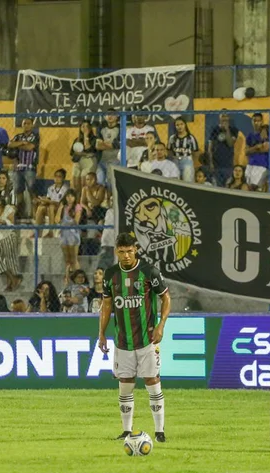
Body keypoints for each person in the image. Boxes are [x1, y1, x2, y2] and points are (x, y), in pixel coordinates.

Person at [97, 233, 172, 442]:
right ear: (116, 252)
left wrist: (161, 325)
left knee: (152, 381)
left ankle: (159, 431)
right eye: (121, 252)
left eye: (129, 251)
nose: (126, 255)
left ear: (136, 249)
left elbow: (165, 297)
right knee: (125, 383)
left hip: (148, 340)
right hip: (122, 342)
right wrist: (101, 334)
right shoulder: (111, 275)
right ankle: (127, 430)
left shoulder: (149, 272)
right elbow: (107, 305)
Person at [0, 192, 21, 291]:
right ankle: (13, 279)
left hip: (8, 236)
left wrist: (0, 221)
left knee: (8, 260)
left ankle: (10, 283)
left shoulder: (8, 209)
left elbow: (11, 223)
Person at [8, 117, 40, 221]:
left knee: (32, 191)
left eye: (28, 123)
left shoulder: (35, 136)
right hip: (18, 169)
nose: (26, 125)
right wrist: (22, 143)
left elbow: (30, 147)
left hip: (30, 168)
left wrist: (18, 146)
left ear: (32, 125)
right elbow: (9, 144)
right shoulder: (18, 136)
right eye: (24, 123)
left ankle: (35, 215)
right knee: (18, 192)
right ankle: (20, 215)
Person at [56, 189, 84, 278]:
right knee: (67, 259)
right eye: (68, 196)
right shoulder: (63, 207)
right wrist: (60, 208)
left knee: (74, 259)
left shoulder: (77, 207)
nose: (69, 198)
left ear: (75, 197)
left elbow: (76, 220)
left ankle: (78, 277)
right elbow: (57, 220)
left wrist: (65, 224)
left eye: (72, 196)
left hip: (73, 234)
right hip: (64, 234)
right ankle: (67, 277)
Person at [208, 111, 240, 187]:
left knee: (227, 186)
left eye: (226, 116)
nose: (224, 118)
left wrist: (227, 130)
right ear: (219, 117)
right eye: (222, 116)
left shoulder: (233, 130)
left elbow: (230, 143)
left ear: (228, 117)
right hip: (216, 165)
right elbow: (210, 148)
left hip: (228, 165)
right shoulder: (214, 130)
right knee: (217, 187)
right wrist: (211, 162)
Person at [168, 117, 200, 183]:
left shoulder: (191, 138)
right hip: (175, 161)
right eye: (177, 125)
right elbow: (169, 150)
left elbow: (196, 152)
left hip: (187, 161)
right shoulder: (172, 138)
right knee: (175, 181)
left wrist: (194, 162)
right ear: (175, 126)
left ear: (185, 125)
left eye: (181, 124)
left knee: (188, 182)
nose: (179, 126)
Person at [71, 120, 99, 193]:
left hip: (89, 161)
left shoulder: (94, 139)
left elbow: (88, 148)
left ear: (90, 128)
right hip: (78, 161)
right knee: (75, 184)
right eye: (83, 126)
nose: (85, 128)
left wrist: (86, 137)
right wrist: (84, 154)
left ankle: (84, 201)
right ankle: (77, 203)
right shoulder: (77, 139)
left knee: (84, 183)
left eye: (87, 126)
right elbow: (72, 153)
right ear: (80, 128)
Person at [244, 113, 270, 191]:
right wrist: (256, 147)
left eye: (258, 121)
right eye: (254, 120)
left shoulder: (267, 133)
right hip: (250, 164)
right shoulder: (250, 136)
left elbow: (265, 149)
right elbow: (246, 152)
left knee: (254, 187)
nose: (256, 123)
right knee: (247, 187)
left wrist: (252, 150)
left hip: (261, 165)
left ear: (262, 121)